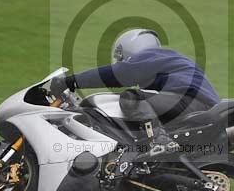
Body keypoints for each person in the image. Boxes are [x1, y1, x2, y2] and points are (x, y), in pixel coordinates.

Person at [50, 28, 220, 153]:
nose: (122, 62)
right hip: (200, 107)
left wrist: (71, 81)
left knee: (132, 98)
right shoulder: (167, 60)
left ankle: (158, 140)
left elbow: (118, 74)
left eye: (122, 58)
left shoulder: (151, 55)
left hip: (190, 101)